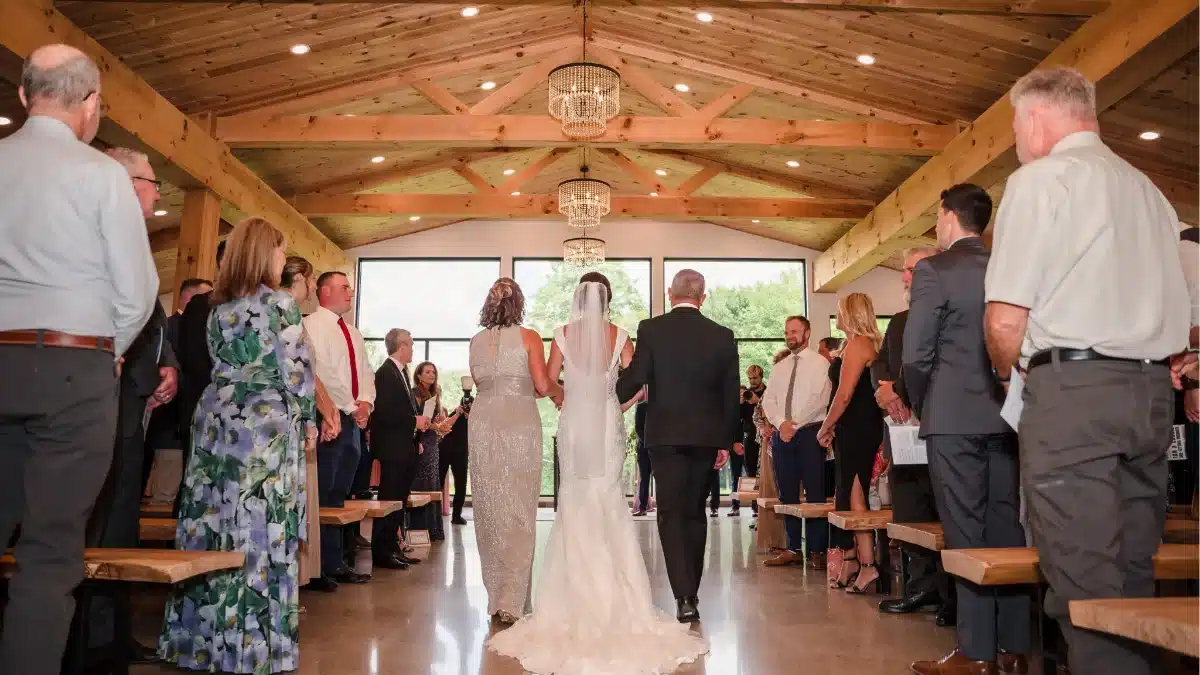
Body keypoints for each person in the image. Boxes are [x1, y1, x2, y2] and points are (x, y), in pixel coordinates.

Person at [984, 67, 1188, 675]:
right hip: (1150, 396)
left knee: (1085, 587)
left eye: (1018, 125)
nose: (1018, 138)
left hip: (1074, 393)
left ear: (1039, 120)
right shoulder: (1150, 190)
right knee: (1133, 578)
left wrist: (1008, 376)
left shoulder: (1041, 180)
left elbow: (1003, 319)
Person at [0, 44, 158, 674]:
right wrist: (108, 354)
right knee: (49, 552)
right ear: (91, 105)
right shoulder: (101, 176)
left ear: (21, 95)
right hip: (74, 370)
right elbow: (138, 291)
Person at [488, 276, 708, 674]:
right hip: (606, 422)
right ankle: (619, 602)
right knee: (608, 501)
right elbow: (638, 382)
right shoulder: (621, 335)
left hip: (574, 422)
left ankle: (569, 602)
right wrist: (614, 404)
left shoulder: (562, 334)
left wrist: (567, 396)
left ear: (577, 299)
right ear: (607, 299)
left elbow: (547, 384)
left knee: (574, 501)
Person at [159, 217, 315, 674]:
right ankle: (253, 648)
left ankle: (201, 643)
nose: (284, 259)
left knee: (213, 523)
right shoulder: (281, 304)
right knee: (260, 526)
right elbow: (297, 372)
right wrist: (306, 418)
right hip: (263, 423)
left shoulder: (216, 308)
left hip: (216, 419)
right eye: (281, 250)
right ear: (265, 252)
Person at [906, 185, 1029, 675]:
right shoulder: (1008, 267)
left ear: (948, 215)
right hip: (1006, 414)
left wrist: (921, 404)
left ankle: (976, 652)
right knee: (1007, 529)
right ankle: (1014, 649)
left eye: (937, 217)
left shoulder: (935, 271)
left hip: (954, 418)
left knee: (964, 532)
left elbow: (917, 354)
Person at [85, 147, 181, 666]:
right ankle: (93, 641)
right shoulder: (93, 235)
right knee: (96, 526)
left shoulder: (132, 241)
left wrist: (168, 365)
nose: (158, 191)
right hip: (101, 396)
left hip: (134, 404)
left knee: (121, 524)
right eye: (151, 180)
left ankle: (116, 635)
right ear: (122, 182)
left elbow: (151, 319)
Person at [615, 269, 740, 623]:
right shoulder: (722, 335)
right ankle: (692, 592)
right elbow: (730, 394)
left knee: (670, 514)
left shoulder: (651, 329)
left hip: (665, 436)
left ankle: (683, 595)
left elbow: (637, 377)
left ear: (671, 293)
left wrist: (601, 397)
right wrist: (727, 441)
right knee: (694, 513)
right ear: (703, 295)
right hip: (705, 438)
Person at [469, 278, 562, 623]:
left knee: (490, 506)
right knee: (519, 507)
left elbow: (481, 382)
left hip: (483, 421)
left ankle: (496, 596)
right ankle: (512, 599)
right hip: (519, 420)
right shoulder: (529, 337)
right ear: (519, 304)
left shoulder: (475, 341)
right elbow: (541, 385)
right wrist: (561, 392)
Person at [874, 246, 954, 627]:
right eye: (903, 270)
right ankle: (919, 587)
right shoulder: (900, 320)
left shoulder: (949, 315)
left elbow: (931, 365)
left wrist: (901, 392)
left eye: (912, 269)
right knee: (908, 511)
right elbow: (882, 363)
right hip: (903, 435)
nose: (905, 277)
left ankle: (951, 593)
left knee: (946, 512)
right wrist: (884, 389)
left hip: (940, 427)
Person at [302, 271, 374, 587]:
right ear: (324, 291)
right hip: (329, 415)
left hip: (353, 419)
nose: (351, 292)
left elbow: (365, 371)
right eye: (345, 287)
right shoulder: (312, 325)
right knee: (323, 492)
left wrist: (367, 403)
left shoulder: (354, 333)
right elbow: (322, 372)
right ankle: (316, 568)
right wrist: (349, 405)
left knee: (340, 493)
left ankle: (335, 561)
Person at [280, 256, 342, 587]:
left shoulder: (296, 320)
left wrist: (327, 407)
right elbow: (297, 374)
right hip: (286, 421)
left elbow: (309, 373)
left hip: (303, 416)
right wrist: (312, 419)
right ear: (301, 278)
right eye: (310, 280)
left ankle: (297, 578)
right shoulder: (284, 314)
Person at [817, 293, 884, 593]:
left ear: (851, 313)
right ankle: (853, 561)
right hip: (851, 426)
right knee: (845, 492)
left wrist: (826, 425)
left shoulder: (859, 345)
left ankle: (868, 566)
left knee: (856, 493)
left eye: (840, 311)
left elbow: (844, 394)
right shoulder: (854, 344)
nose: (837, 316)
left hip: (858, 426)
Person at [760, 316, 831, 570]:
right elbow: (768, 401)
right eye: (787, 332)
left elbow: (821, 400)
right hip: (783, 434)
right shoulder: (780, 367)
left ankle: (817, 550)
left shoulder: (820, 363)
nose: (789, 336)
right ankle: (792, 548)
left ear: (807, 332)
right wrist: (781, 424)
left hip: (810, 432)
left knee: (815, 492)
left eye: (795, 331)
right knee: (787, 492)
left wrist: (795, 424)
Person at [144, 277, 210, 506]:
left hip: (177, 427)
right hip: (169, 427)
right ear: (191, 298)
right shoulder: (172, 328)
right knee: (165, 496)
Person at [174, 241, 226, 515]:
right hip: (204, 409)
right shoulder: (201, 305)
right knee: (198, 492)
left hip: (242, 417)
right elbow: (193, 358)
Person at [369, 328, 428, 570]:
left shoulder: (400, 373)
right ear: (401, 346)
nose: (413, 349)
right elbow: (384, 412)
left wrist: (416, 435)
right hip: (392, 448)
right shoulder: (385, 373)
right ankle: (381, 552)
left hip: (404, 445)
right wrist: (415, 421)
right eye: (411, 345)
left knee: (399, 501)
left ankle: (393, 547)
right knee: (389, 500)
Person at [411, 361, 459, 542]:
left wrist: (441, 425)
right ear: (419, 375)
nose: (431, 375)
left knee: (433, 483)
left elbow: (434, 420)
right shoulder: (415, 393)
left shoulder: (434, 394)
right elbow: (418, 419)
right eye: (428, 372)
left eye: (433, 372)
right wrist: (436, 426)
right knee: (421, 484)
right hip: (421, 441)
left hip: (433, 444)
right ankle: (419, 528)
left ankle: (433, 529)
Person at [734, 365, 766, 516]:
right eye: (750, 378)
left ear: (761, 377)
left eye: (755, 378)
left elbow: (772, 411)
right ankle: (755, 508)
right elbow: (737, 418)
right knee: (751, 471)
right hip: (750, 437)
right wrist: (740, 403)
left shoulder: (768, 392)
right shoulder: (746, 393)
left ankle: (765, 506)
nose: (752, 382)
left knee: (766, 472)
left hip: (765, 436)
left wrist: (758, 401)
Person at [439, 379, 471, 526]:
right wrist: (458, 414)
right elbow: (444, 426)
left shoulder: (475, 420)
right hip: (446, 450)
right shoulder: (455, 413)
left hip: (462, 453)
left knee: (461, 484)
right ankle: (434, 514)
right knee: (438, 481)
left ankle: (457, 515)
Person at [631, 398, 653, 516]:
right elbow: (638, 428)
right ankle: (642, 507)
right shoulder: (641, 407)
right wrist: (648, 443)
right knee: (644, 478)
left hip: (658, 449)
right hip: (643, 449)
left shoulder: (660, 405)